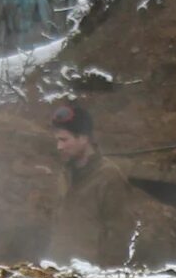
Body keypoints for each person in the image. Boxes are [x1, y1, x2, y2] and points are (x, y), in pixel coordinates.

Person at [45, 98, 135, 266]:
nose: (59, 146)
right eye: (57, 140)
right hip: (60, 271)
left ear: (83, 138)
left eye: (64, 140)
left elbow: (120, 235)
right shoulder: (65, 175)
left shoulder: (109, 177)